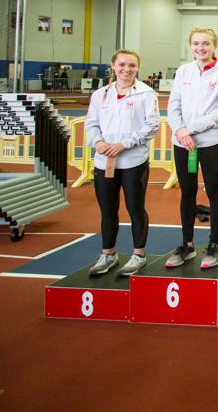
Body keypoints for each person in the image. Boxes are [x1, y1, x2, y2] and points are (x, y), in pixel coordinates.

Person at [84, 50, 159, 277]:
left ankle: (139, 255)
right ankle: (108, 254)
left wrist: (124, 144)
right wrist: (97, 142)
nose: (127, 69)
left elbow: (152, 125)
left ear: (138, 68)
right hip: (104, 161)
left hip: (133, 161)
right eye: (122, 65)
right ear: (113, 66)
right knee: (108, 210)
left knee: (135, 208)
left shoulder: (146, 94)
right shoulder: (100, 95)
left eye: (132, 66)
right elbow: (91, 123)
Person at [165, 28, 218, 270]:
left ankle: (213, 245)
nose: (201, 48)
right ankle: (187, 245)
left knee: (213, 190)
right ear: (190, 45)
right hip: (183, 142)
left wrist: (190, 129)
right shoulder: (184, 71)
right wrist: (180, 131)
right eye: (196, 43)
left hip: (210, 142)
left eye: (206, 43)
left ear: (214, 45)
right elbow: (173, 105)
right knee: (187, 192)